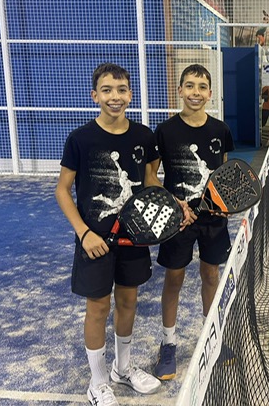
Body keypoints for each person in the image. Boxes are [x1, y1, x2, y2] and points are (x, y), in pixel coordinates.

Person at [55, 63, 189, 406]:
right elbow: (62, 190)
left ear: (130, 94)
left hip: (134, 237)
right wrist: (84, 233)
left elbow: (151, 181)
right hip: (95, 241)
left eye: (121, 90)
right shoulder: (80, 139)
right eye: (107, 90)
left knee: (128, 302)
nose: (114, 96)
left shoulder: (143, 136)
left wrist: (174, 203)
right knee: (99, 307)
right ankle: (98, 383)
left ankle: (122, 369)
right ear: (95, 96)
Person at [152, 64, 234, 381]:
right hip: (178, 221)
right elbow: (150, 176)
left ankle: (211, 336)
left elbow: (224, 174)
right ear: (180, 91)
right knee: (174, 278)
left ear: (210, 93)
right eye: (189, 86)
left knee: (211, 275)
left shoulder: (220, 130)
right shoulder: (165, 131)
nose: (195, 92)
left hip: (212, 220)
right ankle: (168, 343)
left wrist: (225, 203)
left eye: (201, 87)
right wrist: (174, 203)